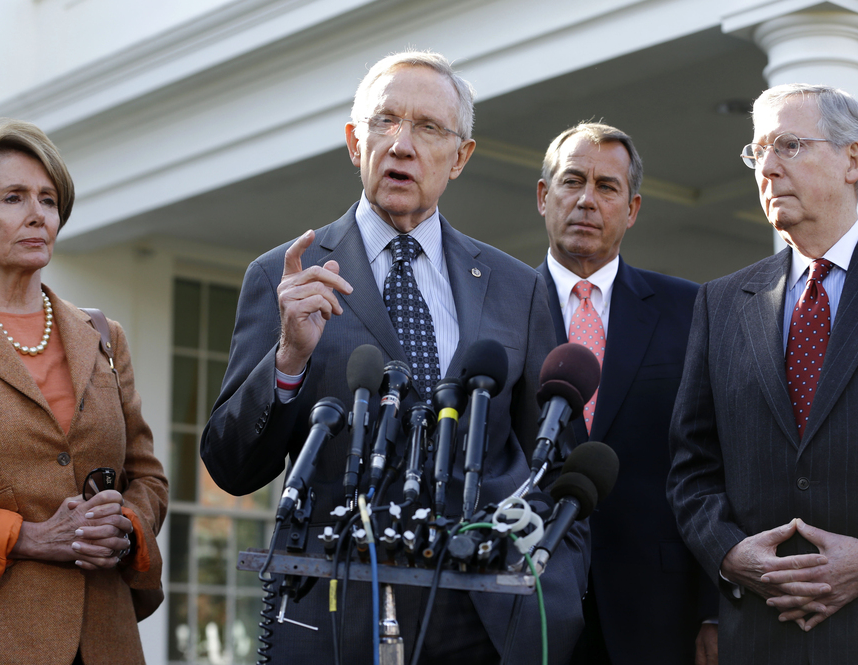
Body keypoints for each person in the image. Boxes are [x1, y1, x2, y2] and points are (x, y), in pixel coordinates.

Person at [201, 51, 589, 664]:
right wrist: (287, 360)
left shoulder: (520, 288)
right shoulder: (283, 276)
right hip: (337, 610)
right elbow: (230, 466)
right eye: (385, 122)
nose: (402, 145)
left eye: (429, 128)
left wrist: (555, 588)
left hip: (484, 614)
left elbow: (558, 464)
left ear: (460, 157)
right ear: (356, 142)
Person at [0, 119, 168, 664]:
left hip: (104, 639)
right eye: (13, 198)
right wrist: (25, 537)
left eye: (48, 200)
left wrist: (124, 528)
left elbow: (147, 476)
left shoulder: (103, 335)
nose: (37, 214)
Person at [667, 83, 858, 664]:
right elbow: (691, 467)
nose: (768, 168)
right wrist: (730, 555)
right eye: (758, 153)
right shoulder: (721, 302)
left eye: (790, 145)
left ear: (853, 158)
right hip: (761, 636)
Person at [535, 122, 717, 665]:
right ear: (544, 196)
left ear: (632, 208)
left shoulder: (692, 310)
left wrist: (714, 606)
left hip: (659, 612)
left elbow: (717, 460)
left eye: (607, 187)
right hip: (528, 604)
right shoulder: (498, 307)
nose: (587, 200)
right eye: (572, 181)